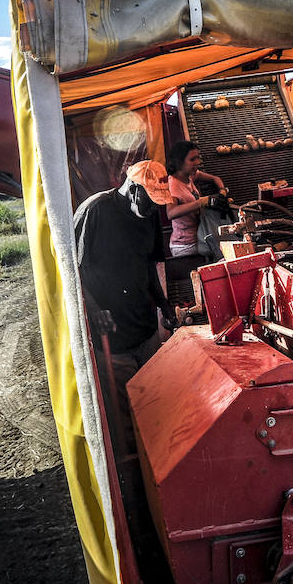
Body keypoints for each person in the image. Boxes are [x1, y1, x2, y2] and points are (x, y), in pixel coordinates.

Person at [73, 159, 175, 424]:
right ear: (133, 189)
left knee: (154, 399)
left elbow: (149, 264)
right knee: (126, 412)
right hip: (112, 335)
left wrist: (163, 305)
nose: (155, 209)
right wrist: (94, 310)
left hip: (144, 324)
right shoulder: (95, 211)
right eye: (150, 200)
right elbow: (74, 271)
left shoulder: (149, 216)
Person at [165, 139, 227, 257]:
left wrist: (222, 192)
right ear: (179, 162)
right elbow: (171, 213)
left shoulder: (190, 176)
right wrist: (202, 202)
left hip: (201, 237)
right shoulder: (173, 186)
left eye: (198, 157)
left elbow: (215, 179)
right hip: (186, 246)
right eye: (192, 159)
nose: (198, 162)